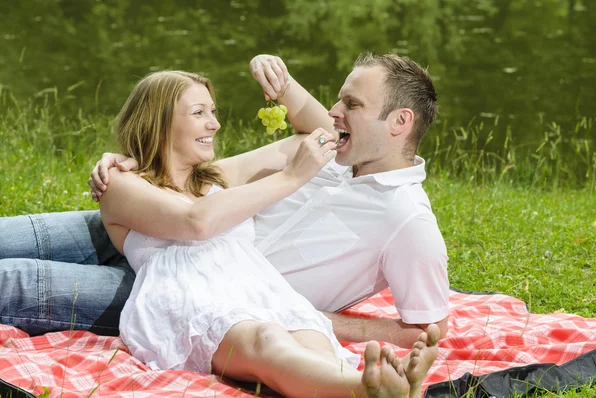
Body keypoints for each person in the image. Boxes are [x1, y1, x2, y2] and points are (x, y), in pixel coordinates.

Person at [0, 52, 448, 348]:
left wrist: (313, 319)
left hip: (190, 293)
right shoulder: (337, 150)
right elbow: (302, 127)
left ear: (399, 122)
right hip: (162, 216)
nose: (334, 112)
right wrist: (141, 164)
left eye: (350, 103)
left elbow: (428, 330)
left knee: (14, 281)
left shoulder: (407, 221)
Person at [95, 68, 439, 398]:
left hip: (261, 290)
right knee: (266, 339)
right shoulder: (123, 182)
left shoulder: (214, 179)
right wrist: (292, 176)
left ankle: (368, 383)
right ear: (157, 121)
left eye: (212, 111)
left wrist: (285, 87)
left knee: (311, 338)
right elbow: (195, 223)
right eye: (199, 112)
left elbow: (322, 136)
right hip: (191, 296)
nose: (215, 123)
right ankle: (364, 389)